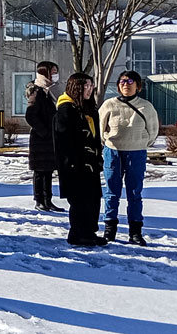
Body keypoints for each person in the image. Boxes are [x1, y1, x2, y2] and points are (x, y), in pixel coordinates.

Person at [99, 70, 160, 246]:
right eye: (122, 81)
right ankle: (109, 229)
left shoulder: (146, 107)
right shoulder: (109, 105)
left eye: (130, 81)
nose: (126, 84)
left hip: (137, 152)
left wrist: (140, 143)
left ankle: (135, 232)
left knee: (134, 193)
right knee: (111, 192)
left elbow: (153, 131)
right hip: (113, 152)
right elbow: (101, 127)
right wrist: (108, 142)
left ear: (138, 85)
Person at [53, 73, 106, 247]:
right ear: (76, 87)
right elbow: (64, 141)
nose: (89, 90)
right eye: (86, 86)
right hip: (75, 165)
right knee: (79, 201)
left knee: (93, 199)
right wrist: (75, 161)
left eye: (91, 86)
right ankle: (77, 234)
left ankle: (89, 231)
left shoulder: (89, 108)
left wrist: (97, 156)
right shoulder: (65, 109)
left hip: (91, 164)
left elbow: (95, 137)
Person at [25, 61, 65, 212]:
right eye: (52, 71)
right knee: (40, 171)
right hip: (41, 139)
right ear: (44, 73)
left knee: (48, 171)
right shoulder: (37, 92)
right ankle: (39, 199)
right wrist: (45, 131)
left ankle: (48, 199)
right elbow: (31, 115)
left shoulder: (52, 90)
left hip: (51, 138)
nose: (55, 74)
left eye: (56, 71)